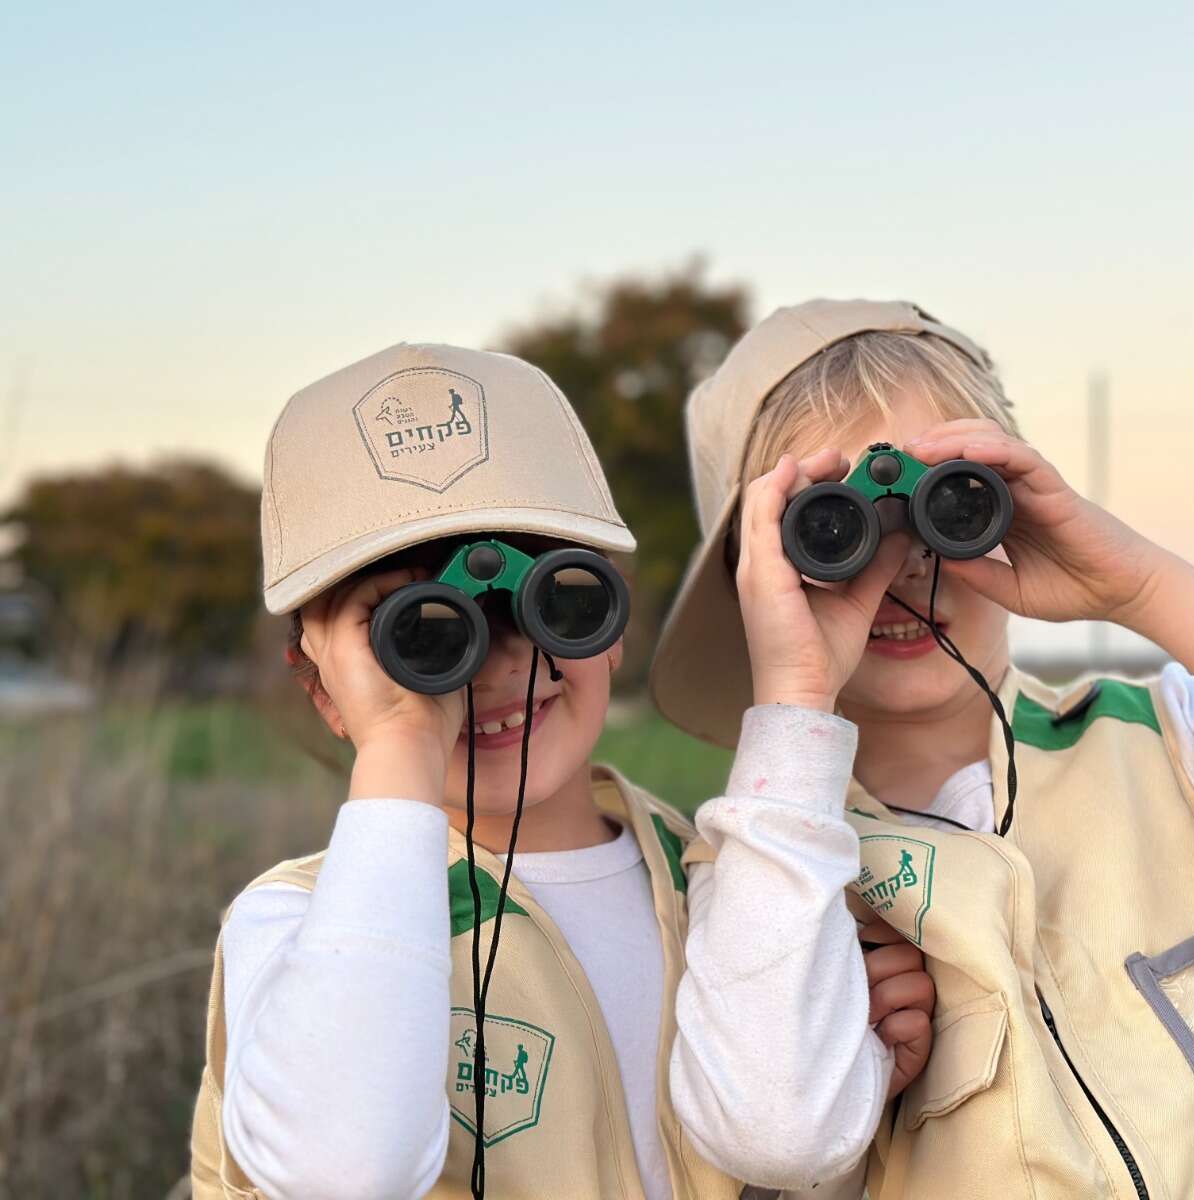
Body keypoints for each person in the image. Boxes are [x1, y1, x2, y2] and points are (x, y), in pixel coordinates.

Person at [650, 301, 1194, 1199]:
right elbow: (773, 1136)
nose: (903, 563)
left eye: (945, 499)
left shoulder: (1173, 740)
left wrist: (1140, 586)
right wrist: (794, 700)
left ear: (1010, 503)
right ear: (751, 578)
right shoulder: (773, 867)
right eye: (832, 529)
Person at [189, 342, 933, 1199]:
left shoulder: (736, 893)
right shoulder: (297, 927)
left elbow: (785, 1139)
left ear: (610, 621)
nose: (501, 666)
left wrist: (856, 1072)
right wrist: (398, 733)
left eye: (554, 601)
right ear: (326, 686)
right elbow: (346, 1169)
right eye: (425, 634)